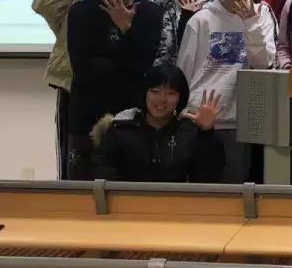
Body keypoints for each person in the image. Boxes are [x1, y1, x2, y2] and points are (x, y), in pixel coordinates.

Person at [66, 0, 165, 179]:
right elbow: (82, 66)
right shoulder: (82, 12)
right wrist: (123, 63)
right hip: (86, 113)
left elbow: (142, 66)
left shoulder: (150, 13)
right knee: (81, 185)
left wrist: (126, 29)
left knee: (130, 185)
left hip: (130, 115)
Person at [176, 0, 277, 183]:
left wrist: (250, 23)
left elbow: (263, 64)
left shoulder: (261, 16)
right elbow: (184, 70)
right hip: (199, 118)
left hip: (239, 121)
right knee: (200, 189)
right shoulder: (201, 19)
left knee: (234, 191)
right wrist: (183, 112)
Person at [32, 0, 105, 179]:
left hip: (112, 93)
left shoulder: (129, 10)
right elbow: (42, 4)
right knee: (74, 160)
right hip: (73, 92)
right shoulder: (73, 11)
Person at [89, 66, 225, 183]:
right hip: (127, 201)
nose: (162, 99)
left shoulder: (189, 131)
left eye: (171, 93)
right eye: (155, 91)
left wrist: (206, 133)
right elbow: (102, 169)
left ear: (180, 98)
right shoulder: (121, 128)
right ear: (145, 93)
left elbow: (208, 178)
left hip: (175, 201)